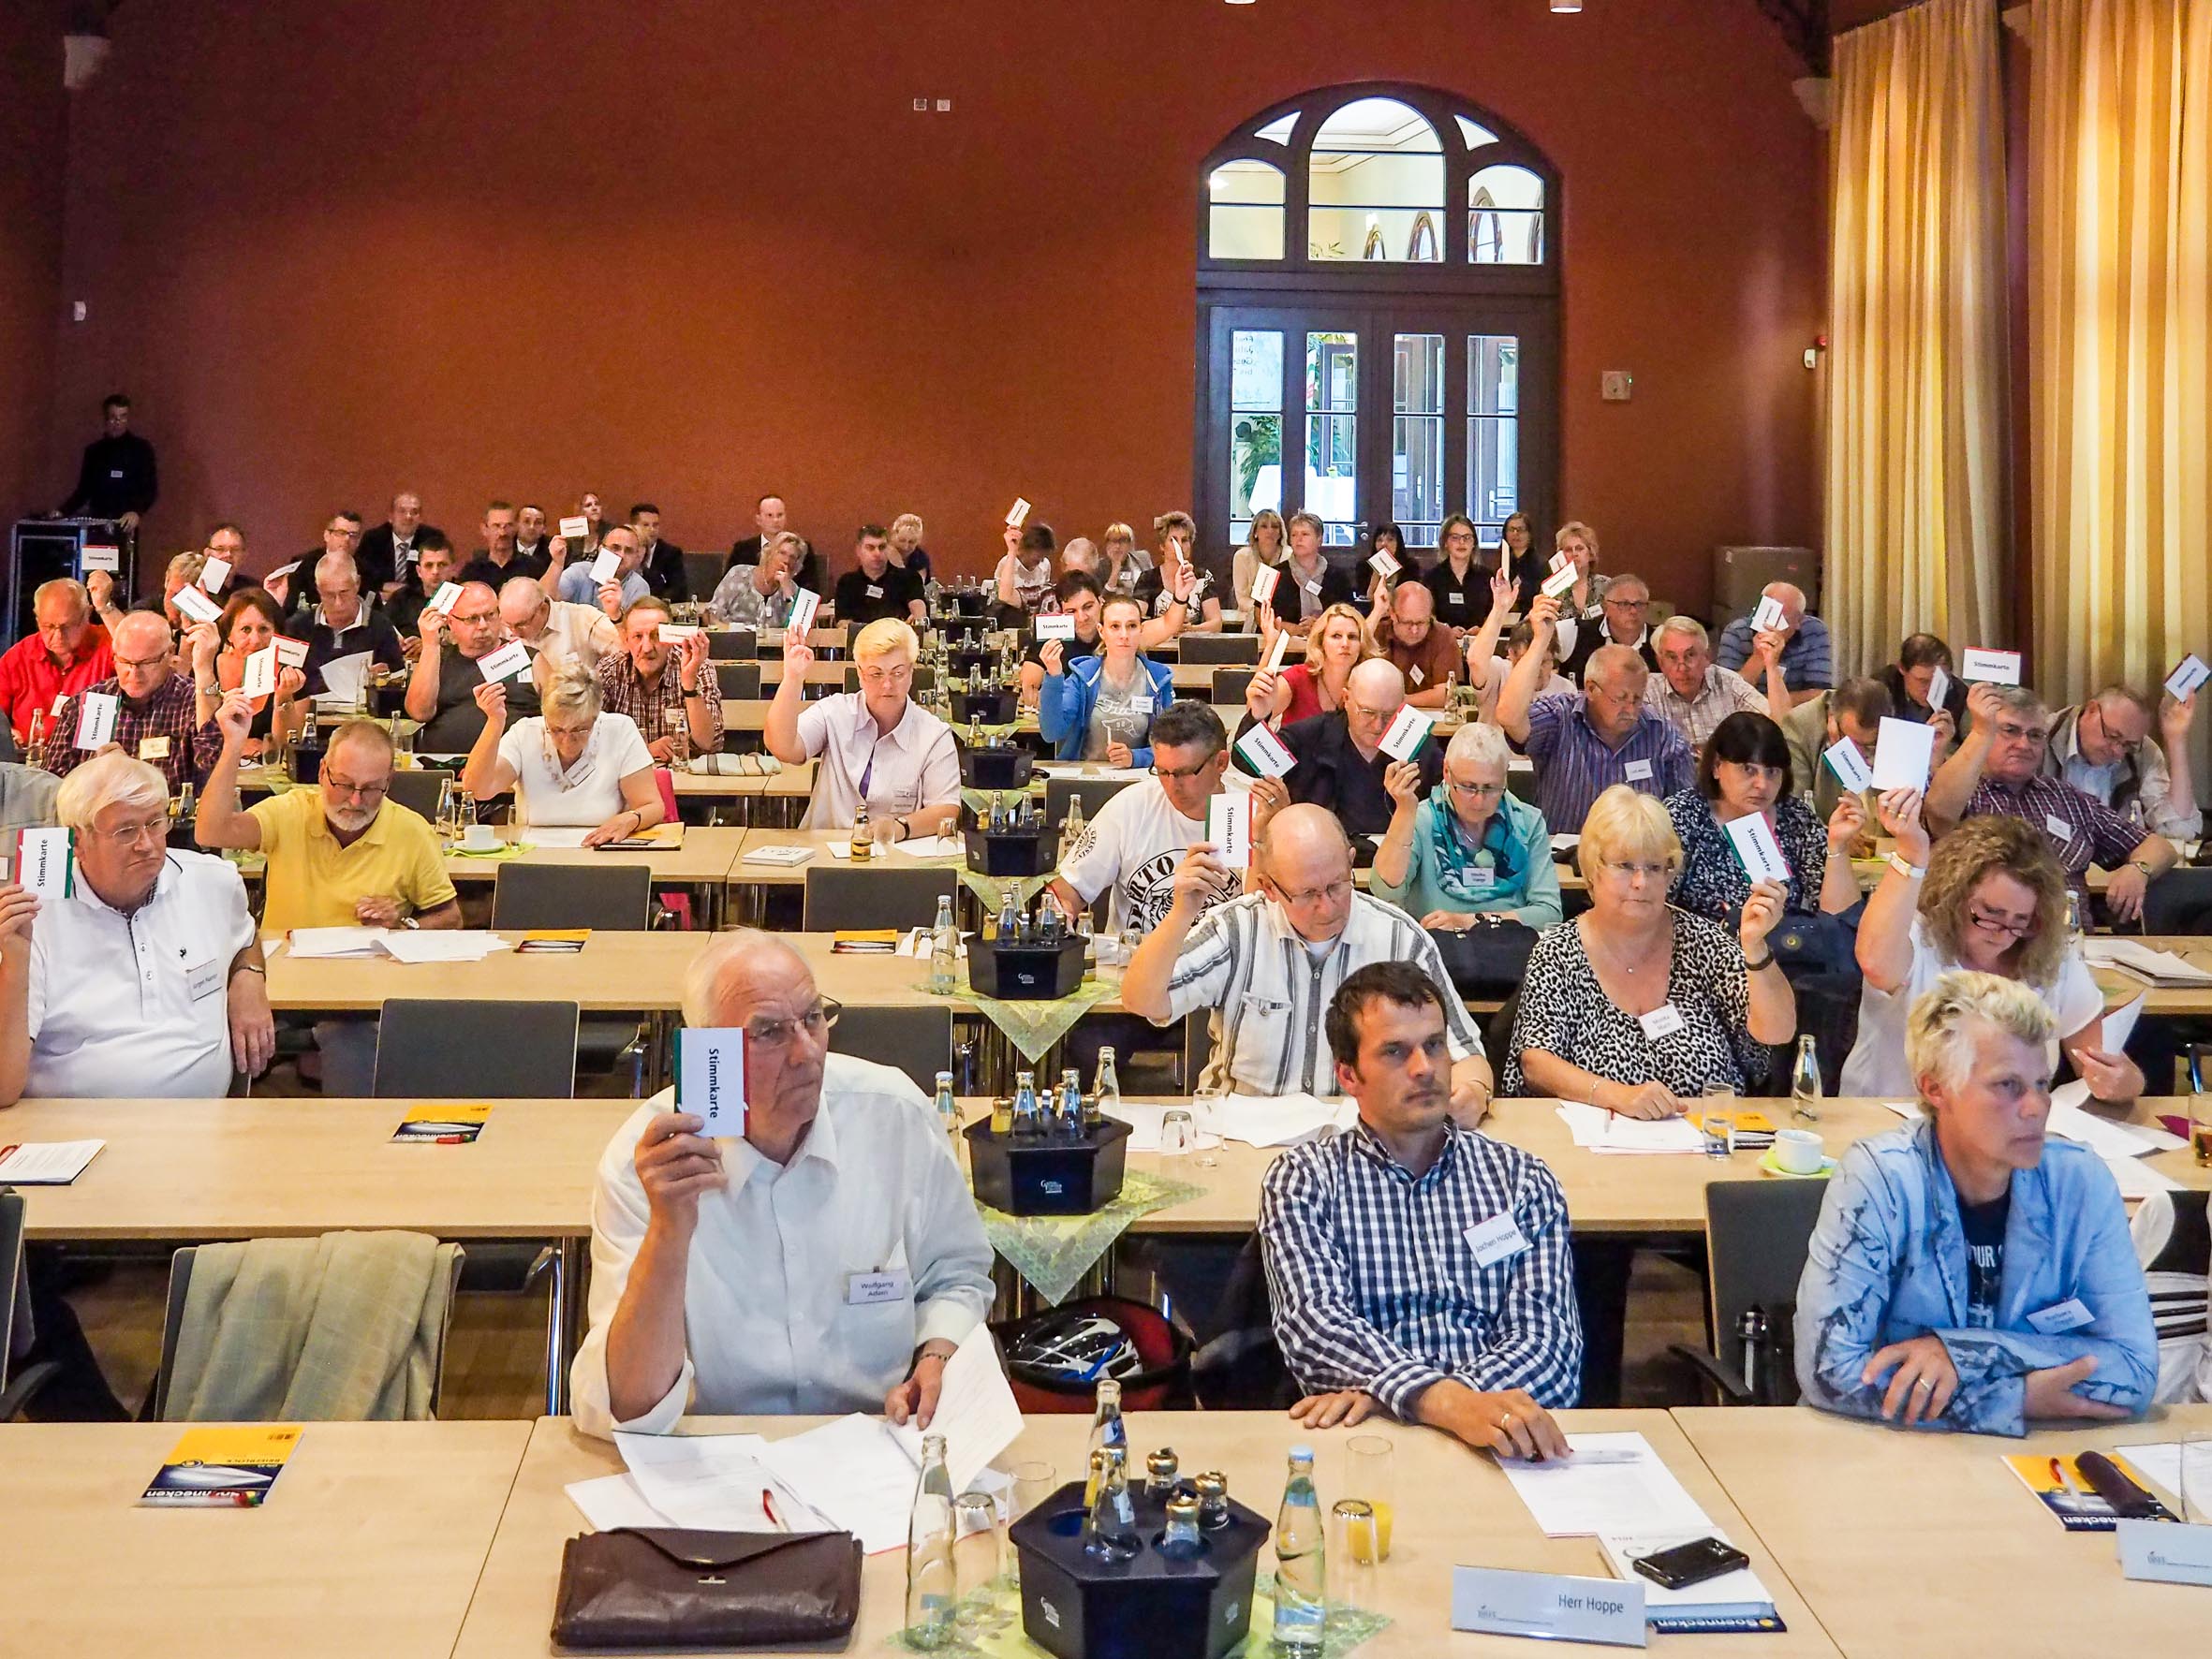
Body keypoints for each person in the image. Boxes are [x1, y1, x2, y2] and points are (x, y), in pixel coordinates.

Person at [570, 931, 994, 1435]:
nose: (806, 1052)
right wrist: (669, 1230)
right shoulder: (646, 1166)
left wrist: (937, 1354)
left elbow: (956, 1273)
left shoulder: (894, 1117)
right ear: (710, 1052)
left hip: (879, 1437)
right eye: (770, 1032)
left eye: (813, 1018)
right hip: (714, 1450)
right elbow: (628, 1406)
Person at [1796, 971, 2156, 1436]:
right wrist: (2012, 1399)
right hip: (1883, 1449)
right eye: (2007, 1085)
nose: (2036, 1107)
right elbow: (1829, 1371)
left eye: (2042, 1083)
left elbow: (2135, 1368)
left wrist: (1962, 1352)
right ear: (1935, 1089)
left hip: (2030, 1456)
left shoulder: (2079, 1183)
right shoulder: (1880, 1179)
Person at [1260, 962, 1582, 1448]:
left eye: (1434, 1045)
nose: (1424, 1068)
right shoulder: (1306, 1179)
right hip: (1365, 1442)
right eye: (1395, 1052)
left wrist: (1421, 1402)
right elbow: (1316, 1330)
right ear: (1348, 1075)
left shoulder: (1521, 1180)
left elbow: (1550, 1349)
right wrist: (1444, 1404)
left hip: (1494, 1437)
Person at [1121, 803, 1493, 1111]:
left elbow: (1467, 1054)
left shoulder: (1400, 939)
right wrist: (1181, 913)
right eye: (1307, 894)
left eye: (1336, 886)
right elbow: (1142, 1000)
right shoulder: (1238, 929)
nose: (1326, 906)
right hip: (1245, 1132)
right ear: (1269, 888)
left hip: (1361, 1138)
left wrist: (1472, 1094)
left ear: (1350, 862)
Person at [196, 700, 460, 1093]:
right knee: (214, 1027)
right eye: (344, 785)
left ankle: (346, 1129)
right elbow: (210, 832)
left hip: (360, 997)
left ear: (389, 782)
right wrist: (233, 745)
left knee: (351, 1040)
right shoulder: (290, 811)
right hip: (279, 985)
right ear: (322, 772)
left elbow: (451, 918)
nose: (355, 801)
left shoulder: (412, 831)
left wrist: (405, 925)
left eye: (371, 789)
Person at [0, 748, 271, 1105]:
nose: (146, 845)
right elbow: (3, 1088)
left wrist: (249, 976)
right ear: (77, 840)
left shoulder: (213, 881)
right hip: (74, 1125)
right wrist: (14, 959)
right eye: (126, 831)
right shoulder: (35, 916)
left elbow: (244, 936)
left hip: (204, 1124)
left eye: (155, 823)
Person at [1506, 784, 1794, 1107]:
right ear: (1593, 869)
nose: (1641, 882)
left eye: (1655, 868)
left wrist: (1755, 947)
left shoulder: (1703, 942)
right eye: (1625, 866)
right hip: (1598, 1133)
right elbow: (1536, 1062)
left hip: (1703, 1130)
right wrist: (1619, 1096)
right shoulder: (1557, 953)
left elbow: (1778, 1032)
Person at [1839, 799, 2138, 1103]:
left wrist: (2122, 1081)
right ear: (1954, 896)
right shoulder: (1917, 938)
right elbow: (1874, 961)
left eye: (2020, 921)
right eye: (1991, 914)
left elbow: (2106, 1061)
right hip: (1891, 1117)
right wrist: (1911, 856)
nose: (2002, 935)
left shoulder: (2049, 953)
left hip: (2013, 1124)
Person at [1925, 683, 2178, 918]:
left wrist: (2139, 869)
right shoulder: (1966, 794)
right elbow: (1939, 809)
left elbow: (2160, 848)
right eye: (2010, 731)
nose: (2023, 744)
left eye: (2035, 735)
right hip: (1988, 937)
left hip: (2069, 940)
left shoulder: (2068, 799)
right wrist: (1982, 731)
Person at [1498, 596, 1693, 833]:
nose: (1631, 709)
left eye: (1637, 699)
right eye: (1620, 698)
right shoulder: (1560, 717)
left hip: (1636, 852)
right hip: (1565, 852)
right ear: (1591, 689)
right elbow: (1508, 717)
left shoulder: (1662, 735)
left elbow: (1685, 818)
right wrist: (1540, 641)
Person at [1047, 701, 1234, 935]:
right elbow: (1070, 888)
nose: (1172, 785)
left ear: (1221, 763)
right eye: (1162, 771)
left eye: (1184, 773)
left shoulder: (1250, 815)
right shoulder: (1129, 807)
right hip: (1135, 954)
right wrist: (1059, 909)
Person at [766, 616, 960, 838]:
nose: (887, 685)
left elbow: (947, 809)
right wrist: (792, 678)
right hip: (823, 844)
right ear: (859, 673)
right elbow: (782, 747)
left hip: (892, 850)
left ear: (911, 672)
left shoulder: (934, 734)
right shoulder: (833, 711)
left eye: (897, 673)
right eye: (876, 674)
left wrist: (901, 827)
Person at [1665, 712, 1863, 928]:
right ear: (1716, 766)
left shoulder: (1796, 818)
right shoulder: (1681, 816)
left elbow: (1841, 919)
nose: (1762, 784)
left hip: (1786, 945)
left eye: (1772, 772)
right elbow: (1656, 907)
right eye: (1748, 770)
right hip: (1705, 946)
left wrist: (1837, 846)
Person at [1372, 721, 1563, 932]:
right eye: (1468, 787)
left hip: (1509, 944)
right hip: (1439, 944)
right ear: (1447, 772)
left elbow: (1549, 912)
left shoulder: (1527, 822)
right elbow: (1385, 892)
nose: (1479, 801)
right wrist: (1404, 811)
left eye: (1490, 788)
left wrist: (1473, 921)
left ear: (1505, 775)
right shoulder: (1420, 820)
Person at [463, 661, 663, 842]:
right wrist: (495, 721)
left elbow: (652, 806)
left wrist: (630, 819)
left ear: (595, 718)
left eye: (579, 730)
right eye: (557, 729)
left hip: (600, 849)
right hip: (532, 851)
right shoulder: (525, 732)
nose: (567, 741)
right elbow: (478, 790)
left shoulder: (619, 730)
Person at [1252, 658, 1442, 841]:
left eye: (1389, 714)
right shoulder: (1312, 735)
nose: (1378, 725)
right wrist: (1258, 716)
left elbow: (1447, 798)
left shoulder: (1418, 744)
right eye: (1367, 712)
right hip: (1321, 851)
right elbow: (1253, 763)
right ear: (1346, 698)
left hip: (1399, 852)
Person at [43, 609, 219, 797]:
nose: (134, 673)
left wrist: (203, 670)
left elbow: (211, 765)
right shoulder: (86, 704)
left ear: (169, 654)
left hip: (166, 813)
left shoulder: (193, 700)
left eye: (146, 663)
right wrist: (95, 775)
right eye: (125, 661)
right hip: (96, 811)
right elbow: (51, 782)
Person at [2044, 685, 2202, 841]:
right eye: (2113, 736)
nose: (2118, 752)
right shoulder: (2041, 737)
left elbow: (2179, 830)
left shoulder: (2141, 751)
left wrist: (2176, 741)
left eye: (2128, 745)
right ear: (2091, 710)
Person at [1037, 593, 1177, 766]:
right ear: (1101, 631)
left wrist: (1135, 758)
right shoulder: (1084, 676)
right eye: (1115, 626)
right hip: (1085, 775)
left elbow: (1172, 746)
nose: (1124, 635)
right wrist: (1054, 677)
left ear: (1141, 629)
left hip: (1137, 776)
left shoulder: (1158, 679)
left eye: (1132, 626)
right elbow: (1051, 732)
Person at [404, 579, 541, 753]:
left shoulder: (529, 658)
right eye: (472, 619)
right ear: (451, 623)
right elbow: (419, 713)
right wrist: (430, 646)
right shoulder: (436, 659)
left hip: (510, 762)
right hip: (441, 761)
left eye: (490, 615)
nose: (483, 626)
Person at [597, 597, 722, 762]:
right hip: (626, 773)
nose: (647, 648)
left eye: (656, 636)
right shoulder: (610, 671)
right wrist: (645, 751)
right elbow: (591, 740)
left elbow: (709, 743)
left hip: (684, 774)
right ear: (626, 640)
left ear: (670, 639)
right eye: (637, 636)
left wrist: (689, 684)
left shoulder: (698, 667)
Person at [189, 589, 305, 759]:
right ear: (229, 634)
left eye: (264, 629)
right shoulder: (207, 666)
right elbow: (202, 736)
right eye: (245, 629)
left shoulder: (291, 675)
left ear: (277, 633)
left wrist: (283, 697)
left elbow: (287, 747)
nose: (255, 640)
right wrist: (239, 745)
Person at [0, 580, 113, 746]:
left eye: (67, 626)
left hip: (90, 757)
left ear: (87, 614)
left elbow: (138, 650)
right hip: (29, 756)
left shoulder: (108, 644)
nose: (58, 636)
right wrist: (6, 734)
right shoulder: (18, 656)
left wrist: (105, 608)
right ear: (37, 619)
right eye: (48, 626)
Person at [1644, 614, 1784, 748]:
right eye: (1672, 657)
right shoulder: (1647, 692)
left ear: (1707, 656)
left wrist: (1771, 664)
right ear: (1660, 663)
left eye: (1690, 655)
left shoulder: (1727, 682)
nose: (1682, 668)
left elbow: (1781, 724)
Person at [280, 553, 407, 695]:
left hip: (364, 706)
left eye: (344, 592)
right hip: (309, 706)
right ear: (318, 589)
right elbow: (282, 681)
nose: (338, 603)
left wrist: (383, 680)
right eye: (329, 594)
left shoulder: (381, 626)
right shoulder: (297, 627)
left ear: (357, 583)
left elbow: (398, 681)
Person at [1246, 602, 1377, 729]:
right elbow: (1254, 716)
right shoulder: (1298, 677)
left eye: (1352, 637)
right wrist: (1271, 645)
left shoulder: (1370, 684)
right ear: (1321, 642)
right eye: (1336, 636)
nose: (1345, 644)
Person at [1781, 675, 1891, 820]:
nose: (1860, 755)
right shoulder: (1799, 726)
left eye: (1869, 745)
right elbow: (1796, 809)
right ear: (1832, 719)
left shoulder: (1892, 728)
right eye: (1853, 744)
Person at [1714, 582, 1834, 704]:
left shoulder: (1814, 631)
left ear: (1799, 621)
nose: (1771, 625)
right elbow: (1727, 696)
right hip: (1749, 712)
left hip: (1797, 711)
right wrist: (1759, 657)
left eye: (1781, 620)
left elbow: (1820, 694)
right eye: (1767, 615)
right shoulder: (1736, 632)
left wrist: (1769, 702)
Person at [56, 393, 157, 536]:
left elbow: (150, 489)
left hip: (125, 524)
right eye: (113, 417)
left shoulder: (141, 450)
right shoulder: (94, 452)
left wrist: (136, 511)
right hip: (97, 523)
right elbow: (83, 491)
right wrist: (62, 512)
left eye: (123, 417)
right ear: (105, 419)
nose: (117, 422)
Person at [499, 574, 618, 680]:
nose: (515, 633)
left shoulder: (583, 619)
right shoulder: (500, 628)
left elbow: (623, 649)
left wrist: (617, 616)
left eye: (521, 625)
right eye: (508, 624)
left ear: (543, 609)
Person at [1367, 580, 1461, 710]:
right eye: (1407, 622)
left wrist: (1400, 700)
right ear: (1392, 614)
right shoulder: (1378, 632)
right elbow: (1356, 647)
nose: (1415, 630)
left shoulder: (1443, 636)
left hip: (1429, 716)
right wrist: (1377, 611)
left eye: (1421, 622)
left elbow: (1446, 694)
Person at [1558, 572, 1658, 683]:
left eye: (1639, 604)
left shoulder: (1659, 642)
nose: (1633, 611)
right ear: (1605, 607)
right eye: (1624, 604)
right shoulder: (1573, 631)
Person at [1265, 510, 1354, 628]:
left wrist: (1321, 625)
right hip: (1284, 637)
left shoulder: (1338, 577)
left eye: (1305, 534)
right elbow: (1259, 615)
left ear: (1319, 539)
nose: (1298, 539)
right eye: (1294, 535)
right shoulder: (1271, 573)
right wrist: (1295, 629)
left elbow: (1350, 615)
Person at [1133, 511, 1218, 632]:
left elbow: (1216, 624)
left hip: (1192, 641)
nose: (1179, 545)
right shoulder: (1148, 578)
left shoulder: (1203, 577)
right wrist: (1169, 625)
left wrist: (1191, 629)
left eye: (1184, 540)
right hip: (1158, 642)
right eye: (1173, 540)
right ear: (1162, 546)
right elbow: (1136, 620)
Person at [832, 524, 926, 628]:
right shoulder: (847, 583)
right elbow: (843, 622)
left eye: (882, 547)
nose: (877, 553)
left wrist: (918, 617)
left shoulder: (909, 578)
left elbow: (918, 608)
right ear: (858, 551)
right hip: (861, 637)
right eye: (870, 548)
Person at [707, 530, 804, 630]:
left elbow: (799, 628)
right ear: (770, 553)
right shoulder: (739, 575)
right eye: (782, 553)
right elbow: (711, 615)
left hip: (773, 640)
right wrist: (734, 631)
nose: (786, 560)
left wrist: (787, 593)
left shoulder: (791, 589)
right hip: (734, 637)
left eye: (792, 557)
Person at [550, 521, 651, 616]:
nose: (621, 555)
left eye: (628, 551)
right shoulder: (579, 571)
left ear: (636, 556)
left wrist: (616, 613)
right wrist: (556, 563)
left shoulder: (639, 586)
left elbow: (637, 626)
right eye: (615, 548)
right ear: (601, 549)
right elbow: (548, 600)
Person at [274, 511, 363, 615]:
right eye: (341, 533)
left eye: (353, 535)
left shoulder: (366, 570)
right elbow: (291, 609)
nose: (347, 539)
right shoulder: (306, 566)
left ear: (358, 541)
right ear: (327, 535)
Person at [1542, 521, 1608, 661]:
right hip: (1561, 657)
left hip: (1600, 655)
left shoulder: (1606, 585)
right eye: (1568, 550)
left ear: (1590, 553)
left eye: (1579, 548)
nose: (1574, 554)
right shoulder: (1552, 588)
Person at [353, 491, 437, 599]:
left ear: (421, 518)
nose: (408, 517)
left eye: (414, 512)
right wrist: (382, 587)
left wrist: (402, 593)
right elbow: (363, 576)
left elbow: (436, 577)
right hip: (380, 599)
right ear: (391, 517)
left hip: (418, 600)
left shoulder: (432, 539)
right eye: (402, 511)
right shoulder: (373, 539)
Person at [1881, 632, 1969, 734]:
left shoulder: (1959, 693)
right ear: (1902, 669)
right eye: (1923, 681)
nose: (1931, 690)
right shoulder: (1881, 690)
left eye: (1939, 682)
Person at [1415, 514, 1485, 634]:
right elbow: (1425, 615)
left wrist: (1484, 630)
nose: (1462, 542)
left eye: (1467, 537)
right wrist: (1445, 631)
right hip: (1442, 639)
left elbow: (1494, 613)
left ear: (1474, 543)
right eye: (1455, 537)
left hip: (1480, 640)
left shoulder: (1487, 577)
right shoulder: (1432, 578)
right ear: (1445, 543)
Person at [386, 530, 457, 648]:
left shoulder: (467, 599)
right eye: (429, 565)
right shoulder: (401, 598)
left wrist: (428, 644)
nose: (435, 571)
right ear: (419, 571)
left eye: (442, 565)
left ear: (453, 569)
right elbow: (383, 629)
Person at [455, 500, 545, 589]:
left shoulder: (533, 567)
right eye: (496, 526)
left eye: (508, 525)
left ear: (516, 528)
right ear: (484, 530)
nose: (502, 533)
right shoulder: (471, 571)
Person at [1231, 508, 1287, 626]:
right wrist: (1264, 611)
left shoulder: (1289, 556)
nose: (1270, 531)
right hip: (1250, 617)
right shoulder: (1241, 556)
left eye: (1275, 527)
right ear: (1255, 532)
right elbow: (1242, 600)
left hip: (1283, 617)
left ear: (1280, 533)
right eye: (1264, 526)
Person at [994, 521, 1056, 620]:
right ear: (1026, 548)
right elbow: (1002, 596)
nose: (1041, 561)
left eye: (1044, 557)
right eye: (1038, 557)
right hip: (1009, 616)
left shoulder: (1045, 565)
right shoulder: (1007, 563)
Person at [629, 503, 689, 601]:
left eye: (655, 525)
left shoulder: (671, 554)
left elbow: (678, 590)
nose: (652, 530)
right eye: (646, 525)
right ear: (633, 527)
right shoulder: (622, 550)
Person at [1495, 511, 1547, 614]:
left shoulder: (1541, 564)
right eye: (1511, 530)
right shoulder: (1502, 562)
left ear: (1529, 534)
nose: (1516, 534)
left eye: (1520, 529)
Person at [1098, 521, 1147, 595]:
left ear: (1130, 544)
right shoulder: (1100, 567)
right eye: (1114, 541)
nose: (1118, 546)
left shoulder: (1142, 558)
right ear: (1107, 544)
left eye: (1123, 541)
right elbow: (1102, 599)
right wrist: (1115, 571)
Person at [887, 512, 933, 582]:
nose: (905, 547)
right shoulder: (878, 553)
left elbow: (916, 587)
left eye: (911, 542)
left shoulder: (920, 559)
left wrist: (900, 567)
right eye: (902, 540)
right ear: (893, 536)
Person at [513, 504, 553, 569]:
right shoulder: (506, 546)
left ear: (544, 529)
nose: (532, 527)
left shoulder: (552, 550)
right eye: (526, 521)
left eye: (538, 522)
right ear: (516, 525)